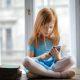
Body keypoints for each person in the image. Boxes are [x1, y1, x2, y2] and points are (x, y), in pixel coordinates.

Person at [23, 8, 75, 78]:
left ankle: (43, 74)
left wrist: (58, 57)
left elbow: (58, 62)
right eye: (45, 27)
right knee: (25, 60)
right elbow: (30, 60)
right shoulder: (33, 40)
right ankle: (58, 75)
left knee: (71, 60)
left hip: (53, 67)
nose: (47, 30)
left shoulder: (56, 39)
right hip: (39, 67)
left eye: (51, 27)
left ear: (54, 26)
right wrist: (42, 57)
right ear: (38, 25)